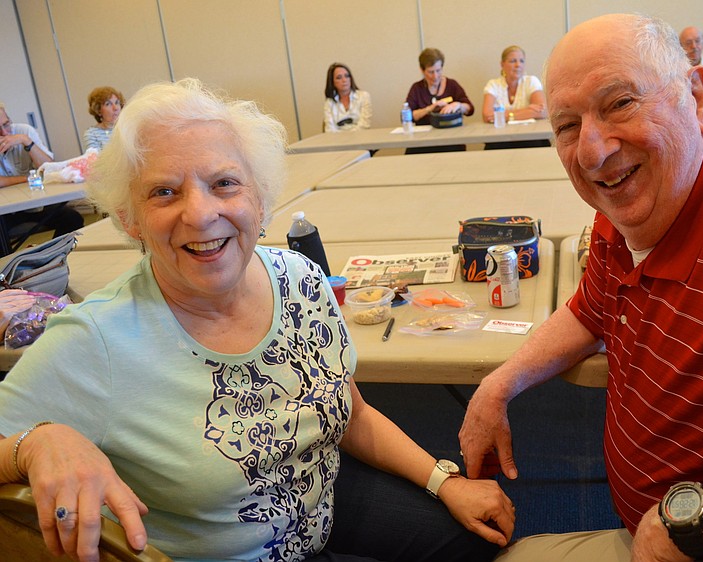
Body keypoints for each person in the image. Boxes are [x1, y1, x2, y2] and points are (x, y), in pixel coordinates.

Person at [0, 78, 514, 562]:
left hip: (322, 494)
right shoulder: (99, 340)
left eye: (224, 183)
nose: (200, 214)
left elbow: (352, 414)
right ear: (129, 218)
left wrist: (447, 483)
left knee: (484, 538)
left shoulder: (301, 280)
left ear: (260, 198)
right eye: (164, 192)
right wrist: (34, 443)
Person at [460, 13, 703, 562]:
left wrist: (684, 528)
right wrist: (499, 385)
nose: (592, 152)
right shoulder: (634, 206)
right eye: (567, 125)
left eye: (620, 103)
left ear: (696, 95)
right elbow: (590, 310)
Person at [0, 101, 84, 245]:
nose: (4, 133)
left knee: (72, 218)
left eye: (6, 124)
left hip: (36, 203)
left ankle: (51, 255)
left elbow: (48, 167)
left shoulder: (24, 132)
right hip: (5, 211)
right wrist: (29, 178)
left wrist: (26, 142)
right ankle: (11, 266)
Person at [481, 45, 549, 150]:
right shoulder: (493, 84)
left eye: (521, 61)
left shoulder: (531, 81)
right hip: (500, 138)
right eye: (513, 61)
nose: (518, 65)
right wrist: (528, 111)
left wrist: (503, 116)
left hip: (531, 137)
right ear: (502, 64)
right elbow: (487, 116)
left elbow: (542, 111)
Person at [406, 48, 474, 126]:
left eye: (438, 70)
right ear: (422, 70)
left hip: (451, 131)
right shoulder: (416, 88)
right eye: (431, 72)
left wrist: (458, 105)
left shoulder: (452, 85)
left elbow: (470, 109)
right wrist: (429, 109)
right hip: (426, 135)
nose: (435, 76)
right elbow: (408, 116)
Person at [323, 63, 372, 132]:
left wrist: (349, 138)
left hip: (360, 138)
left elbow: (365, 125)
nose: (344, 80)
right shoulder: (329, 102)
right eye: (339, 77)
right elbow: (329, 129)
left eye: (347, 76)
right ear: (332, 82)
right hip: (337, 141)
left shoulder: (364, 96)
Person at [84, 86, 124, 151]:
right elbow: (97, 159)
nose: (115, 108)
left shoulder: (128, 127)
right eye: (108, 104)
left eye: (117, 103)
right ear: (98, 110)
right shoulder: (92, 134)